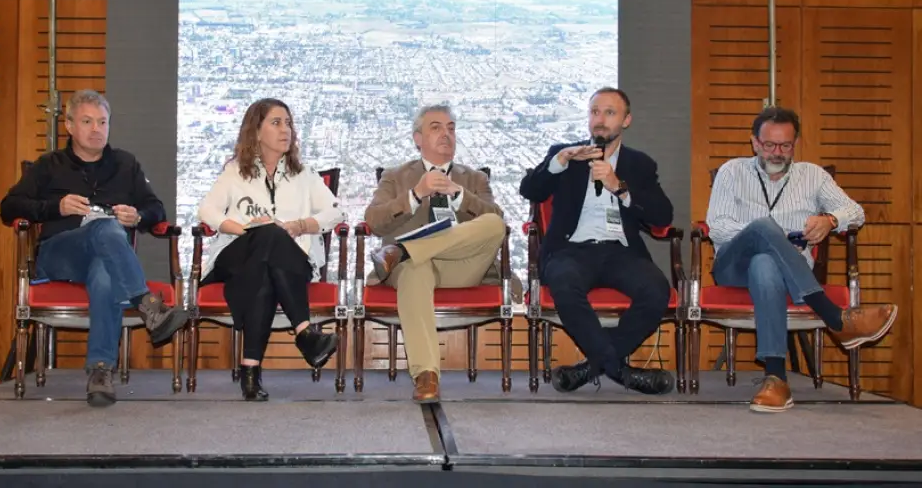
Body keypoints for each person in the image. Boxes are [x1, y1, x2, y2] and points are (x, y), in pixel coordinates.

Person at [0, 89, 188, 408]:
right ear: (70, 126)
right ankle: (145, 304)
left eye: (102, 122)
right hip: (60, 255)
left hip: (106, 260)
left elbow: (156, 210)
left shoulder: (126, 165)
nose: (96, 128)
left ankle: (100, 371)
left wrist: (138, 215)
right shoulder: (49, 165)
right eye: (87, 121)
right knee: (103, 226)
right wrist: (55, 207)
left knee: (104, 273)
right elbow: (9, 207)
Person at [706, 106, 896, 413]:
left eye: (786, 146)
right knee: (763, 229)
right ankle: (835, 317)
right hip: (733, 264)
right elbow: (719, 227)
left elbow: (856, 212)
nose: (777, 153)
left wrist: (831, 220)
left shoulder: (813, 176)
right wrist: (773, 235)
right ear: (755, 143)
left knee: (765, 264)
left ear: (795, 143)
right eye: (769, 145)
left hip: (785, 273)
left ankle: (776, 379)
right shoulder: (732, 171)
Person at [519, 87, 676, 396]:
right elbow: (530, 190)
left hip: (622, 252)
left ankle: (590, 369)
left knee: (656, 289)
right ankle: (621, 371)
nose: (600, 120)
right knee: (564, 282)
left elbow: (662, 216)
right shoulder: (567, 154)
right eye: (594, 112)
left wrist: (620, 187)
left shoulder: (639, 164)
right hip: (571, 249)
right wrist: (559, 161)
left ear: (626, 120)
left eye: (609, 113)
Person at [198, 98, 343, 401]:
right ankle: (305, 332)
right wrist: (248, 230)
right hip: (236, 254)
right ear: (256, 130)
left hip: (287, 262)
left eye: (288, 123)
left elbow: (335, 213)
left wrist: (300, 225)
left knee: (265, 271)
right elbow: (207, 211)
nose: (285, 129)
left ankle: (250, 371)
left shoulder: (304, 174)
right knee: (267, 235)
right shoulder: (235, 172)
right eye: (276, 123)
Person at [365, 104, 507, 403]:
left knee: (493, 223)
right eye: (436, 127)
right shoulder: (395, 176)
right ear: (417, 138)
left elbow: (498, 222)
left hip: (463, 267)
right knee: (415, 270)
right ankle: (426, 375)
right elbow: (374, 221)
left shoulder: (474, 179)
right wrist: (415, 195)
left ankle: (401, 250)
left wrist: (459, 195)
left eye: (451, 128)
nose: (446, 134)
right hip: (415, 269)